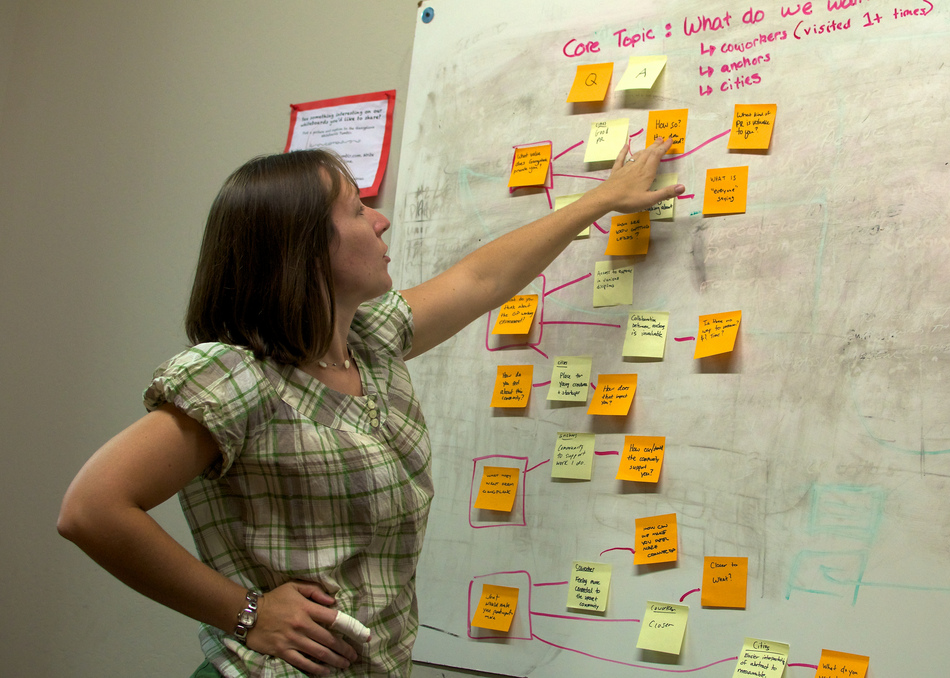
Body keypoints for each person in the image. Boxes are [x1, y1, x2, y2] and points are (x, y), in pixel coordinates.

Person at [57, 138, 684, 677]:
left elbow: (481, 281)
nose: (380, 220)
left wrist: (600, 200)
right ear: (304, 249)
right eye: (358, 210)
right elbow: (91, 509)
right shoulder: (236, 376)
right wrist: (246, 611)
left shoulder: (371, 344)